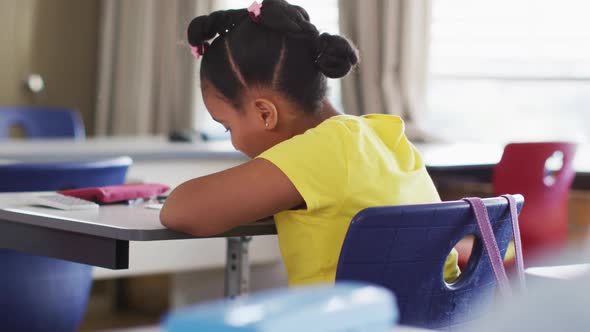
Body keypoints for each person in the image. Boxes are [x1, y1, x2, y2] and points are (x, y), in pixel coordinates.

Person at [160, 0, 459, 286]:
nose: (235, 143)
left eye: (228, 127)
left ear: (265, 113)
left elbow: (179, 211)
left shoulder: (317, 151)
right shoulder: (383, 133)